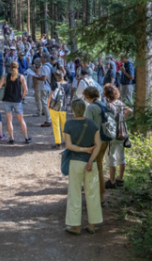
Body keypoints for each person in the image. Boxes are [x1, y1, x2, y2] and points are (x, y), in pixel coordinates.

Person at [63, 99, 103, 235]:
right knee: (92, 192)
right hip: (91, 163)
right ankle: (92, 225)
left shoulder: (68, 124)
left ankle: (75, 226)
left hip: (75, 162)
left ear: (73, 110)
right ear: (84, 109)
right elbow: (98, 144)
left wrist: (82, 150)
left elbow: (68, 146)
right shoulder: (92, 124)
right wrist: (91, 159)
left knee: (74, 193)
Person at [83, 86, 111, 202]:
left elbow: (88, 126)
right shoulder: (104, 105)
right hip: (106, 139)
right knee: (98, 165)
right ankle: (99, 196)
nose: (85, 99)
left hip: (96, 142)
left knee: (97, 168)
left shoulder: (91, 108)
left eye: (85, 97)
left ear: (89, 96)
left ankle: (100, 197)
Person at [103, 84, 133, 189]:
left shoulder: (107, 105)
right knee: (121, 156)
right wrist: (124, 118)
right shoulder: (120, 103)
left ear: (106, 94)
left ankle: (112, 181)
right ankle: (120, 178)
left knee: (111, 157)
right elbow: (130, 110)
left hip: (112, 134)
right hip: (122, 133)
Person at [0, 61, 32, 144]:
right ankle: (26, 138)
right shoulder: (21, 77)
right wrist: (22, 97)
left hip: (7, 100)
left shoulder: (6, 76)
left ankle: (12, 139)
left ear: (10, 67)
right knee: (21, 120)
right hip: (17, 100)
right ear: (18, 67)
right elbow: (26, 89)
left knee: (9, 120)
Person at [47, 69, 71, 149]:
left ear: (56, 77)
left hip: (54, 107)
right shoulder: (68, 85)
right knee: (64, 124)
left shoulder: (55, 84)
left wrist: (48, 104)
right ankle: (66, 141)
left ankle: (58, 143)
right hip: (63, 108)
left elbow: (51, 96)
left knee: (56, 125)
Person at [32, 58, 52, 126]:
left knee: (45, 103)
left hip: (45, 87)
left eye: (42, 58)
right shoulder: (50, 65)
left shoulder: (45, 67)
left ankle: (48, 120)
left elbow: (44, 78)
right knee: (47, 103)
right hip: (49, 86)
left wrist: (36, 78)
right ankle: (49, 118)